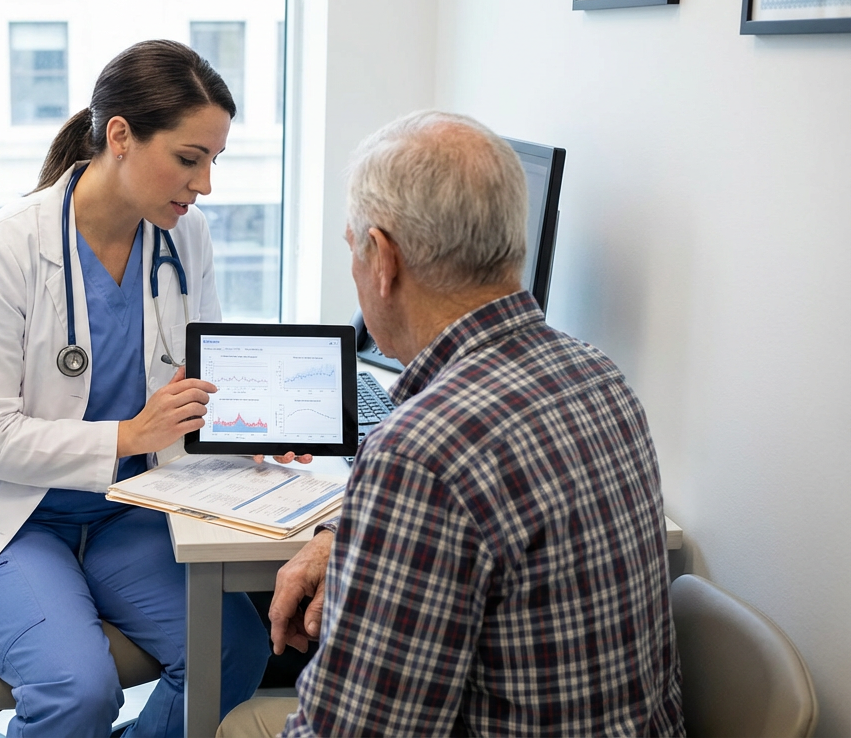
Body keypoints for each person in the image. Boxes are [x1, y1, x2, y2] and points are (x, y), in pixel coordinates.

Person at [218, 110, 684, 737]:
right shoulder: (599, 376)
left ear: (381, 259)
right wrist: (352, 534)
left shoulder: (421, 453)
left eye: (354, 248)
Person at [0, 40, 275, 738]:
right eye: (189, 158)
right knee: (77, 692)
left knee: (235, 650)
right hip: (13, 523)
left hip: (131, 510)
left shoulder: (188, 239)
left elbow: (199, 380)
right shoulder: (7, 248)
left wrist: (256, 434)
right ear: (119, 135)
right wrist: (127, 436)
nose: (205, 184)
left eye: (214, 161)